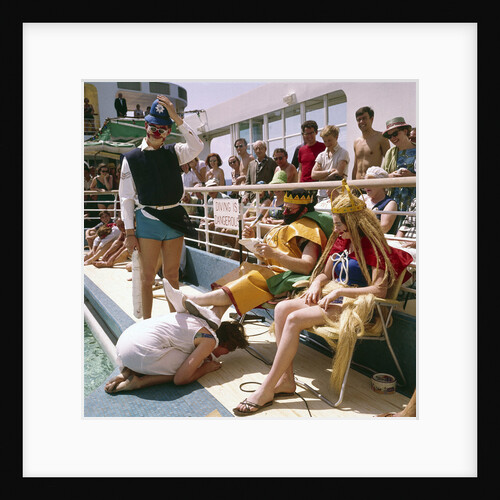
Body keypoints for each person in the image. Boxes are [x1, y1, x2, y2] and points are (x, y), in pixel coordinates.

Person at [232, 180, 412, 415]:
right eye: (336, 224)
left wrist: (340, 291)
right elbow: (324, 274)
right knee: (281, 309)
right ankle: (286, 379)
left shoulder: (375, 247)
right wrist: (317, 284)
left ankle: (266, 388)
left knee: (295, 319)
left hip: (355, 305)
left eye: (340, 225)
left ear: (355, 223)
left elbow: (379, 290)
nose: (336, 230)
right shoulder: (342, 241)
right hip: (332, 298)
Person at [168, 188, 333, 324]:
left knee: (250, 278)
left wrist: (273, 253)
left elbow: (307, 266)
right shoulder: (289, 225)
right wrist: (255, 244)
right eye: (284, 208)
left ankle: (192, 299)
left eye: (289, 209)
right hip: (274, 272)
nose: (285, 212)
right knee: (242, 273)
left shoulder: (309, 230)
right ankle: (213, 319)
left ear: (304, 210)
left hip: (286, 279)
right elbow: (277, 253)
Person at [119, 95, 204, 319]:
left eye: (163, 128)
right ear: (146, 126)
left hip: (174, 218)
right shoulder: (132, 158)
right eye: (153, 127)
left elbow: (197, 145)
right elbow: (126, 197)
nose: (157, 133)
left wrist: (176, 117)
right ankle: (147, 326)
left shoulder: (175, 152)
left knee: (172, 276)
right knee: (147, 278)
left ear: (168, 131)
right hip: (147, 220)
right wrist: (129, 232)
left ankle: (176, 325)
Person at [104, 304, 249, 393]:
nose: (225, 355)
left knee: (179, 351)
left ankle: (128, 371)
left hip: (124, 344)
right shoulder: (209, 341)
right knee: (192, 366)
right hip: (139, 354)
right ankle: (140, 382)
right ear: (225, 345)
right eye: (229, 351)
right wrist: (205, 368)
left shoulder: (196, 321)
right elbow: (180, 379)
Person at [381, 117, 417, 212]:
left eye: (395, 134)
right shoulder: (390, 153)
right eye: (389, 136)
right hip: (395, 203)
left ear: (405, 131)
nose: (393, 138)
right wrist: (390, 176)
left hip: (415, 203)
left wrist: (412, 177)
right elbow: (381, 176)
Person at [311, 124, 350, 199]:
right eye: (325, 141)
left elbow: (338, 174)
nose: (327, 143)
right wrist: (329, 172)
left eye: (329, 140)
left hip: (338, 194)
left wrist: (321, 179)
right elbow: (313, 175)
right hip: (321, 195)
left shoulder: (343, 153)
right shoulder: (321, 155)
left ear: (336, 137)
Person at [352, 106, 391, 180]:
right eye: (358, 120)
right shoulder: (356, 142)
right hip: (358, 185)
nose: (361, 122)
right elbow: (355, 166)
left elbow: (389, 163)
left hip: (372, 184)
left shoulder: (381, 137)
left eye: (364, 118)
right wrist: (352, 185)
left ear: (371, 119)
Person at [361, 166, 399, 234]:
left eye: (370, 182)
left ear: (382, 184)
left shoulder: (390, 203)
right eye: (365, 182)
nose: (366, 186)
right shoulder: (363, 198)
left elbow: (384, 228)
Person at [241, 141, 276, 205]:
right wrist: (246, 196)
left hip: (267, 198)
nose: (258, 150)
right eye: (256, 149)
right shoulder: (251, 164)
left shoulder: (272, 162)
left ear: (265, 149)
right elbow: (248, 182)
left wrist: (271, 192)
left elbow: (275, 180)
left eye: (260, 148)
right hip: (253, 198)